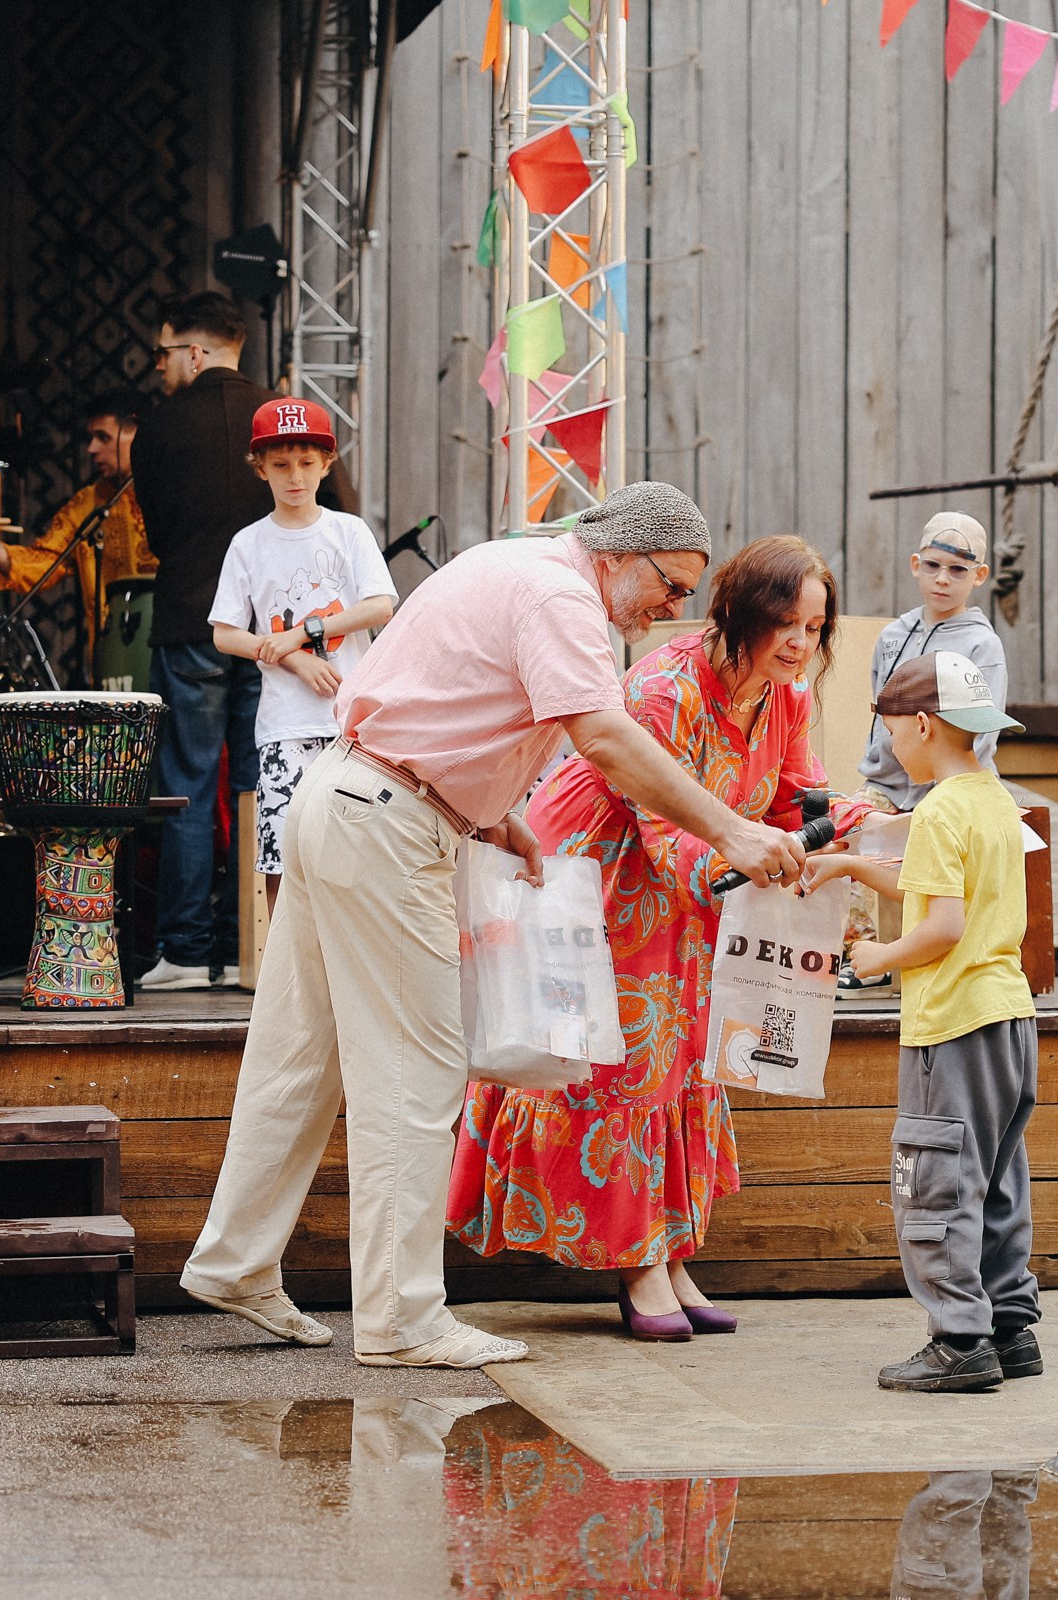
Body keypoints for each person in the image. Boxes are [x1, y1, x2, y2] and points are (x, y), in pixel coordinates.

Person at [179, 480, 806, 1370]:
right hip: (388, 821)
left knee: (297, 1056)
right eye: (670, 584)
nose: (675, 608)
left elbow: (448, 699)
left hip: (350, 797)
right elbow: (606, 739)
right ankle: (401, 1319)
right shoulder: (563, 595)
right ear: (621, 553)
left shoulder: (517, 564)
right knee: (416, 1070)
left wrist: (486, 811)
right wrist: (732, 827)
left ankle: (236, 1262)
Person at [448, 535, 874, 1339]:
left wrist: (874, 825)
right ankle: (637, 1262)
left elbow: (798, 800)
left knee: (687, 1059)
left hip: (700, 876)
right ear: (737, 613)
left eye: (815, 629)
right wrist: (742, 865)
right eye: (784, 622)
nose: (798, 643)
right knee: (627, 1063)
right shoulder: (665, 686)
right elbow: (657, 826)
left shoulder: (787, 697)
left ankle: (672, 1251)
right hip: (598, 869)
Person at [803, 651, 1037, 1394]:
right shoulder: (992, 798)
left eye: (890, 731)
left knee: (935, 1181)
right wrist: (844, 867)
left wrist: (873, 958)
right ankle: (1008, 1329)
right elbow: (931, 883)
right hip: (1008, 1019)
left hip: (952, 1024)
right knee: (995, 1181)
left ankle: (957, 1341)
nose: (887, 747)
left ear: (922, 724)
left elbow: (940, 926)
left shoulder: (936, 808)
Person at [130, 291, 283, 990]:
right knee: (263, 780)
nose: (159, 368)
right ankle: (253, 942)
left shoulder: (160, 428)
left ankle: (187, 952)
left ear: (193, 353)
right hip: (277, 631)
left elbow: (156, 533)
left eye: (163, 354)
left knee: (187, 783)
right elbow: (336, 513)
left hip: (195, 619)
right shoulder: (284, 418)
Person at [208, 397, 395, 913]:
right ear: (261, 468)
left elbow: (381, 605)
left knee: (356, 847)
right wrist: (293, 656)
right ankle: (288, 971)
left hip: (352, 722)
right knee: (280, 852)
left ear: (326, 465)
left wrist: (303, 633)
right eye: (282, 465)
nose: (295, 477)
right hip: (284, 724)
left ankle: (346, 967)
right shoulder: (248, 544)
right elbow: (225, 633)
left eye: (307, 464)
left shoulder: (347, 531)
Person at [0, 390, 155, 673]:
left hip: (168, 653)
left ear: (138, 433)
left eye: (103, 437)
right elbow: (40, 565)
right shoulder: (87, 505)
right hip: (112, 660)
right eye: (91, 437)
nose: (91, 448)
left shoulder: (170, 492)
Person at [859, 512, 1007, 811]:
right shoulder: (892, 636)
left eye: (958, 569)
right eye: (932, 565)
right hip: (887, 788)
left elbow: (983, 731)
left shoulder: (982, 645)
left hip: (956, 789)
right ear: (916, 565)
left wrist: (948, 789)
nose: (942, 578)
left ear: (979, 575)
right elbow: (883, 716)